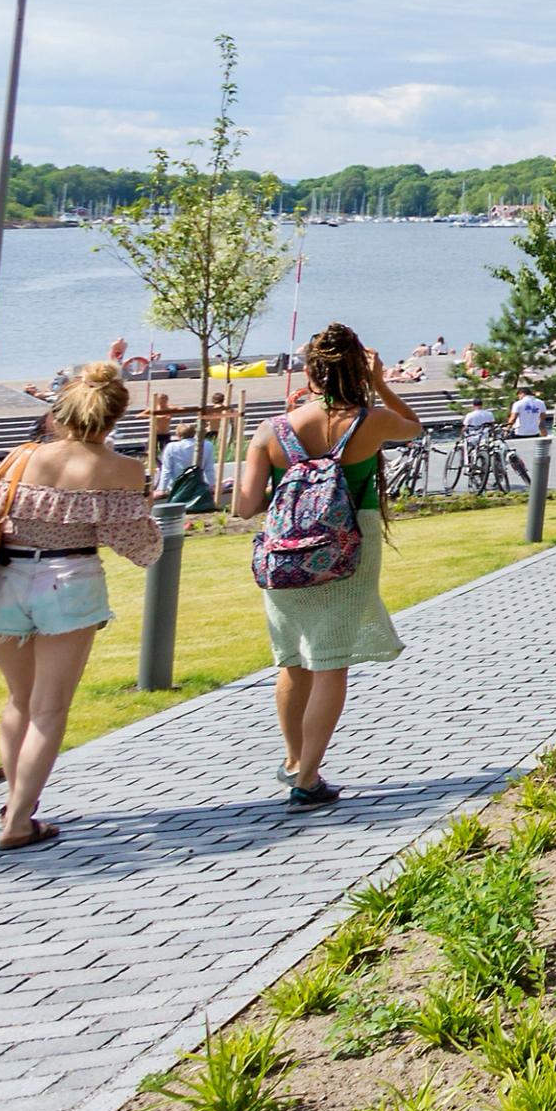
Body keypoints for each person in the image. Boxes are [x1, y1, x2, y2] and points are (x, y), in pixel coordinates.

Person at [0, 361, 161, 852]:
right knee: (49, 708)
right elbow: (141, 549)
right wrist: (144, 508)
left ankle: (17, 803)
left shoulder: (20, 458)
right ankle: (18, 818)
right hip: (69, 581)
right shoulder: (121, 469)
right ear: (114, 418)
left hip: (8, 580)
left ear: (59, 412)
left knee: (19, 700)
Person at [232, 324, 420, 807]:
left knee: (293, 661)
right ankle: (308, 777)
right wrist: (379, 384)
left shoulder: (272, 429)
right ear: (357, 369)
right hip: (348, 552)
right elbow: (414, 427)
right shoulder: (370, 422)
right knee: (331, 662)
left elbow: (245, 505)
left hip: (284, 557)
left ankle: (295, 760)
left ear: (309, 372)